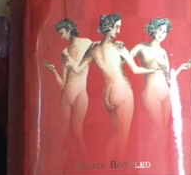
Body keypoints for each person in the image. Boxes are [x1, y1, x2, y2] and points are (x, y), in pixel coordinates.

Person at [65, 13, 157, 159]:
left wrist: (69, 60)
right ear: (108, 27)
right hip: (122, 92)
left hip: (107, 96)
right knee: (123, 137)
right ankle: (119, 169)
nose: (118, 31)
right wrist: (154, 70)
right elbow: (135, 69)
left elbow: (77, 69)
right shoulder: (119, 48)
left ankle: (109, 165)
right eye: (116, 27)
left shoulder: (93, 49)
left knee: (116, 134)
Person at [130, 18, 191, 156]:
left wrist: (181, 68)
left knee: (163, 130)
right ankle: (146, 156)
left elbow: (169, 78)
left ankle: (155, 158)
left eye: (164, 32)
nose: (161, 34)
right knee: (158, 127)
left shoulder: (163, 51)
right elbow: (125, 59)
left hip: (166, 94)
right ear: (153, 29)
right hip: (151, 93)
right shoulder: (141, 47)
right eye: (159, 30)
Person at [43, 18, 92, 161]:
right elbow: (63, 84)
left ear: (69, 29)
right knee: (64, 132)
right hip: (66, 97)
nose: (62, 36)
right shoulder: (64, 52)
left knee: (77, 131)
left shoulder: (87, 43)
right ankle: (66, 162)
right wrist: (53, 71)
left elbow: (83, 65)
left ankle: (86, 160)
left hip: (81, 94)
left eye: (62, 33)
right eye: (60, 34)